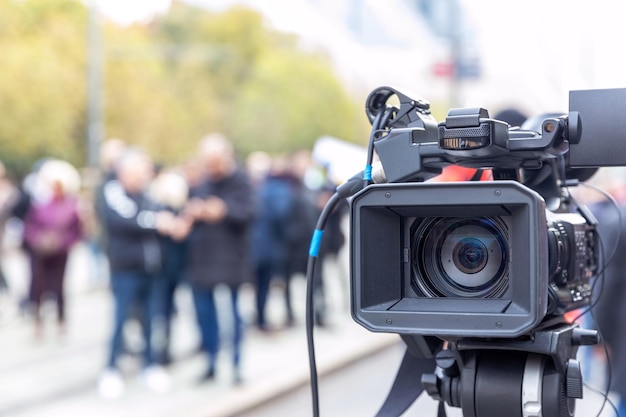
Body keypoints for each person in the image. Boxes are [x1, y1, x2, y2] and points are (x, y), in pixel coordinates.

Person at [97, 148, 188, 399]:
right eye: (141, 171)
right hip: (126, 268)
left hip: (152, 268)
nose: (145, 175)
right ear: (126, 171)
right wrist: (159, 222)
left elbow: (163, 213)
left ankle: (151, 364)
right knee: (120, 319)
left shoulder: (148, 194)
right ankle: (111, 369)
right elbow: (128, 219)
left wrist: (175, 221)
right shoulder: (113, 191)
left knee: (151, 319)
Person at [183, 133, 255, 385]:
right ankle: (211, 361)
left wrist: (224, 210)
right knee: (204, 314)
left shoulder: (241, 181)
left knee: (233, 315)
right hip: (203, 259)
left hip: (230, 259)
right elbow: (188, 213)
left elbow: (250, 212)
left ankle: (236, 365)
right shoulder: (200, 184)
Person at [22, 159, 82, 337]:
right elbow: (29, 227)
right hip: (40, 252)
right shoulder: (39, 205)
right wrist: (38, 239)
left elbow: (76, 231)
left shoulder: (70, 206)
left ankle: (61, 321)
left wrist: (61, 241)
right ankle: (38, 322)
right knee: (37, 286)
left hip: (60, 252)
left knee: (59, 287)